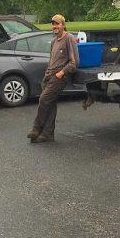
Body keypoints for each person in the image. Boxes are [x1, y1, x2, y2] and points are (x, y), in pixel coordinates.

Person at [28, 14, 79, 143]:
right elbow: (51, 60)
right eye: (53, 24)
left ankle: (36, 128)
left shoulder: (69, 39)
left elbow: (74, 63)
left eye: (57, 24)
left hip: (60, 77)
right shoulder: (53, 41)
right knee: (50, 104)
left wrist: (61, 73)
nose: (54, 26)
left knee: (44, 99)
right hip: (49, 75)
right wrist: (47, 74)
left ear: (63, 25)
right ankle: (47, 134)